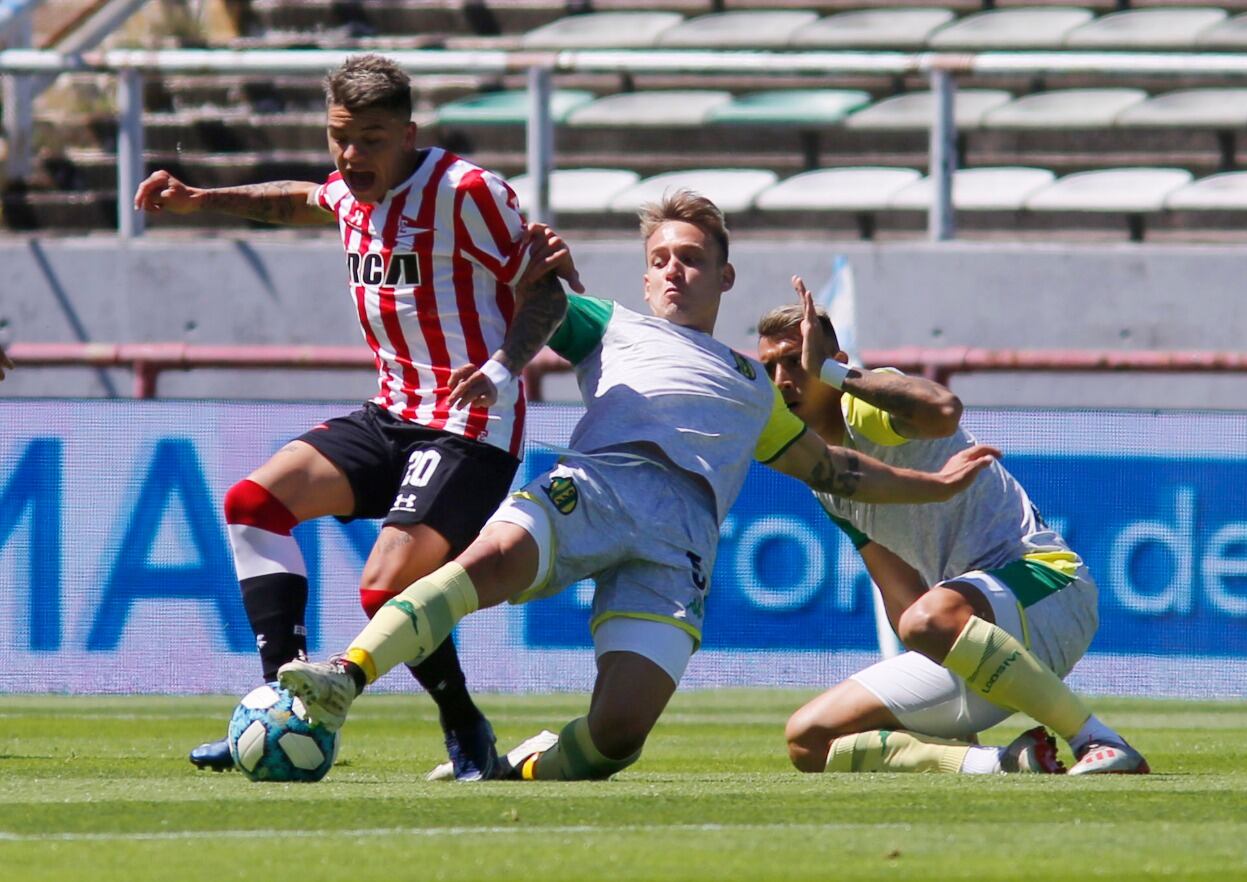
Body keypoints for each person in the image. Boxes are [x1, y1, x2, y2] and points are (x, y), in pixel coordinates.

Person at [276, 190, 999, 782]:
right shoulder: (608, 324)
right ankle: (347, 672)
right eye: (660, 260)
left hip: (681, 541)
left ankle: (512, 772)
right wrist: (525, 279)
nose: (674, 270)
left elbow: (837, 469)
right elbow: (533, 303)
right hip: (598, 483)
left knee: (618, 735)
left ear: (725, 276)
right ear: (646, 277)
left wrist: (931, 487)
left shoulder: (755, 386)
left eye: (691, 258)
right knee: (483, 564)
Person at [133, 54, 580, 780]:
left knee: (383, 587)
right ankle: (283, 701)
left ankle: (464, 726)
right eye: (340, 136)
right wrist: (198, 197)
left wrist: (500, 370)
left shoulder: (466, 192)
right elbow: (304, 199)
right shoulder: (350, 189)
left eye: (371, 139)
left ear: (408, 134)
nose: (351, 155)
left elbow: (551, 291)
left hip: (469, 425)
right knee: (254, 503)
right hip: (391, 412)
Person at [754, 281, 1150, 776]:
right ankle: (1000, 763)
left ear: (833, 359)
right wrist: (943, 688)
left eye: (794, 360)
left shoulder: (867, 404)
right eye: (769, 366)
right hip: (970, 628)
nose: (782, 377)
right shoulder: (823, 474)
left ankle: (1097, 739)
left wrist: (833, 373)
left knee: (927, 619)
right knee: (810, 742)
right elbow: (898, 590)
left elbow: (944, 410)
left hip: (1048, 587)